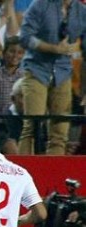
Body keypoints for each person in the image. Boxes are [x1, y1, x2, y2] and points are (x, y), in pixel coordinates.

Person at [18, 0, 86, 155]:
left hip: (63, 72)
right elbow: (25, 37)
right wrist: (53, 48)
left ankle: (52, 175)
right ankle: (23, 173)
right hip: (36, 69)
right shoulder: (40, 5)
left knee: (60, 132)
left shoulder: (82, 11)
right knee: (32, 126)